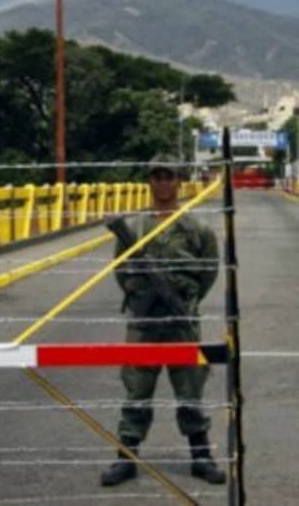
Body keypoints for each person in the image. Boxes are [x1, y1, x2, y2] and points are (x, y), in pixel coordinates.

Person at [100, 153, 225, 487]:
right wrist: (141, 298)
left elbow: (208, 272)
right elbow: (121, 269)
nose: (163, 183)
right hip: (144, 323)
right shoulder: (132, 227)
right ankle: (126, 458)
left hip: (181, 321)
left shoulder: (197, 229)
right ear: (149, 181)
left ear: (179, 181)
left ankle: (201, 456)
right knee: (136, 392)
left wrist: (186, 301)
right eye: (157, 176)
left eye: (169, 176)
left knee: (190, 391)